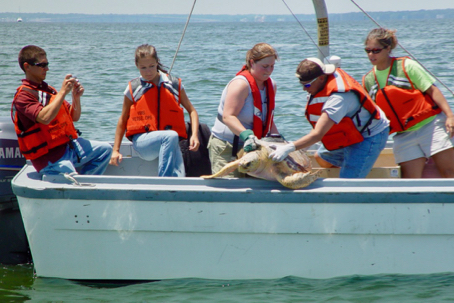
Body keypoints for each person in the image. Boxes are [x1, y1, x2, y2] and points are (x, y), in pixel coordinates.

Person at [269, 58, 390, 178]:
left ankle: (352, 174)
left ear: (321, 78)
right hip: (350, 132)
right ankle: (351, 165)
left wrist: (289, 148)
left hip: (370, 134)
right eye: (301, 84)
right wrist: (299, 148)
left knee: (348, 181)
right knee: (321, 158)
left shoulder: (338, 99)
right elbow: (319, 126)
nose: (304, 89)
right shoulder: (319, 85)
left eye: (307, 85)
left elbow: (318, 134)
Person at [363, 28, 454, 178]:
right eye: (368, 50)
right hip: (404, 134)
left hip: (430, 126)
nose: (371, 55)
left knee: (449, 172)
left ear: (388, 48)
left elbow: (433, 90)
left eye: (376, 50)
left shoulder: (407, 66)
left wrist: (450, 116)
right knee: (410, 180)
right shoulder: (368, 79)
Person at [12, 45, 112, 176]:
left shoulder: (50, 91)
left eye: (47, 64)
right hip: (49, 158)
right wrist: (63, 92)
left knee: (105, 150)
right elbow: (44, 118)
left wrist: (76, 98)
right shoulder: (23, 96)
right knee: (72, 177)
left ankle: (87, 183)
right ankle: (79, 190)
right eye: (41, 65)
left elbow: (74, 117)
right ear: (27, 67)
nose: (46, 68)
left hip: (68, 148)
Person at [110, 44, 200, 177]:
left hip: (169, 142)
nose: (148, 72)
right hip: (143, 143)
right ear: (137, 66)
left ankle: (172, 192)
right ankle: (163, 182)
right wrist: (115, 150)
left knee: (181, 175)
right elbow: (123, 119)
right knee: (170, 136)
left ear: (157, 63)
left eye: (151, 66)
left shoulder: (173, 85)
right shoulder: (134, 88)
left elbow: (192, 111)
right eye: (143, 68)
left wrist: (194, 135)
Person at [208, 42, 280, 177]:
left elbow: (268, 120)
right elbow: (228, 116)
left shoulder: (272, 85)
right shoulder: (240, 85)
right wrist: (248, 136)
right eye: (265, 66)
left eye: (272, 66)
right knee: (228, 190)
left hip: (255, 149)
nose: (269, 70)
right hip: (227, 147)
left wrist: (279, 141)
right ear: (252, 63)